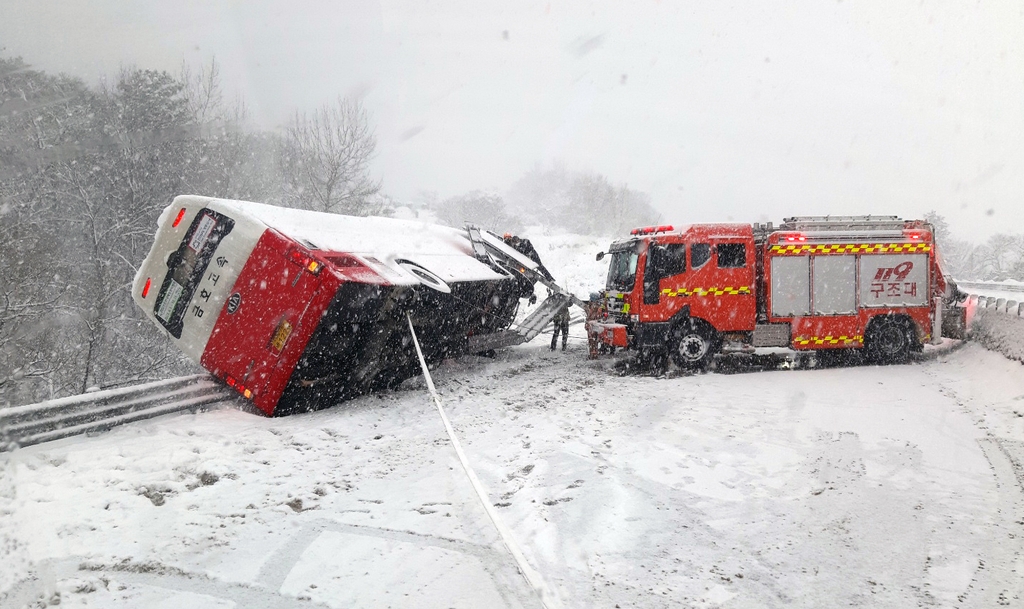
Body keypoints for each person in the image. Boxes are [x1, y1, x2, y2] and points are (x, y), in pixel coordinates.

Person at [584, 292, 604, 359]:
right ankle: (593, 353)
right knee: (593, 341)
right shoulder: (597, 306)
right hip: (593, 325)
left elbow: (591, 316)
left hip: (592, 325)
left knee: (592, 341)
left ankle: (593, 354)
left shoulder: (595, 307)